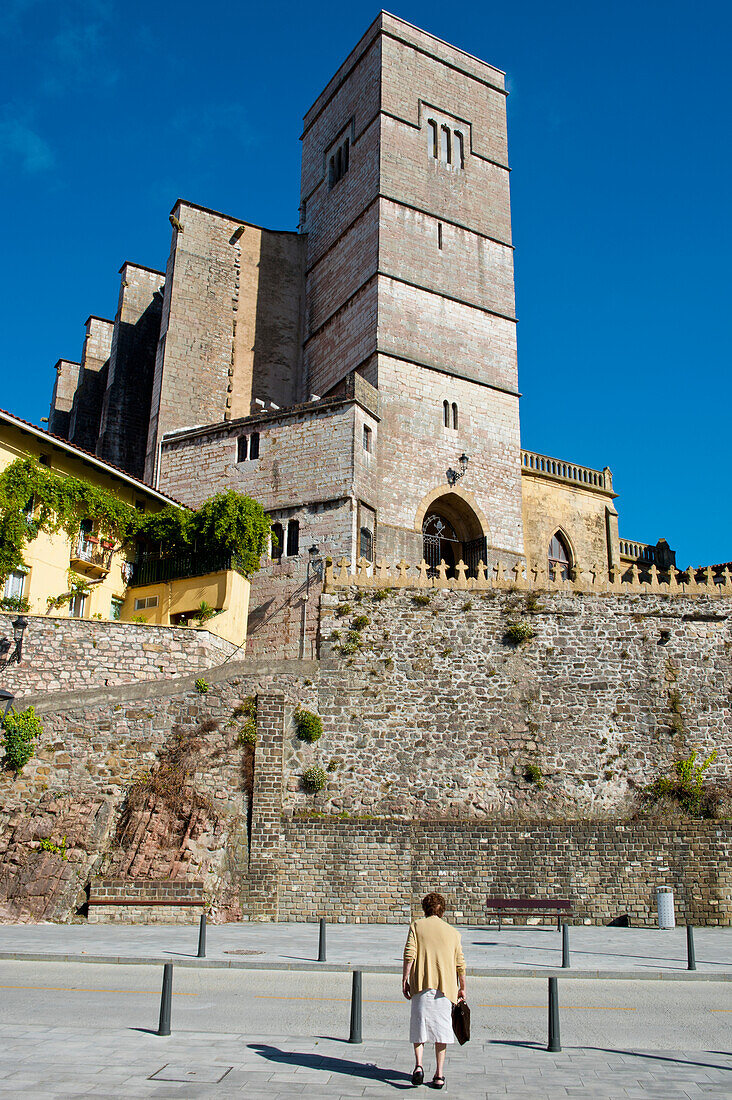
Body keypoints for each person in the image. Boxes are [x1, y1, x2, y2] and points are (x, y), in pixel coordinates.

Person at [402, 891, 466, 1089]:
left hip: (421, 984)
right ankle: (439, 1074)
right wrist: (462, 987)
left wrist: (405, 978)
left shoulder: (416, 926)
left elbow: (409, 954)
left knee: (419, 1026)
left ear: (425, 908)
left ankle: (419, 1066)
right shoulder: (453, 933)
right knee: (441, 1030)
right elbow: (460, 963)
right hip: (445, 988)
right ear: (442, 910)